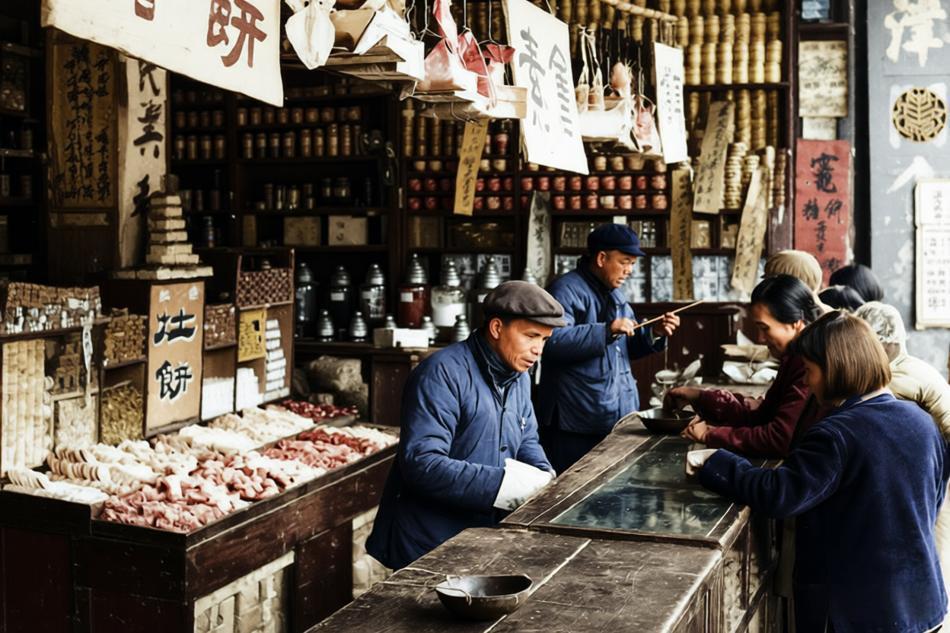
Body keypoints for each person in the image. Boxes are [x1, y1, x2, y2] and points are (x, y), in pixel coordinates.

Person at [690, 311, 949, 632]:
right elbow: (933, 499)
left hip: (859, 613)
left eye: (810, 372)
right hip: (923, 605)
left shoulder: (836, 433)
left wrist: (715, 461)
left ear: (835, 369)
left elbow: (779, 493)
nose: (809, 385)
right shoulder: (921, 421)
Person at [366, 281, 565, 570]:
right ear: (497, 328)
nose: (538, 350)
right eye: (531, 336)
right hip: (429, 543)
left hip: (482, 538)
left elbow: (526, 439)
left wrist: (544, 478)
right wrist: (505, 485)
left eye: (544, 340)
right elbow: (422, 463)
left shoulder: (518, 375)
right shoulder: (441, 374)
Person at [536, 224, 680, 474]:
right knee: (572, 492)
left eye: (633, 264)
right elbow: (552, 342)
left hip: (613, 415)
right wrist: (606, 330)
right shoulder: (565, 290)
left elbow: (624, 350)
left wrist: (654, 334)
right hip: (576, 419)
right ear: (602, 258)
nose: (629, 271)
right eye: (625, 262)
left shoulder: (616, 295)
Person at [856, 300, 950, 629]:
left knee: (927, 561)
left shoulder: (898, 380)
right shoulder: (913, 367)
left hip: (934, 487)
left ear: (884, 343)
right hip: (928, 483)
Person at [669, 275, 821, 458]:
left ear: (796, 323)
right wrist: (699, 396)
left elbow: (780, 438)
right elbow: (762, 416)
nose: (760, 338)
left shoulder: (810, 364)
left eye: (764, 328)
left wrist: (709, 434)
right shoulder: (794, 357)